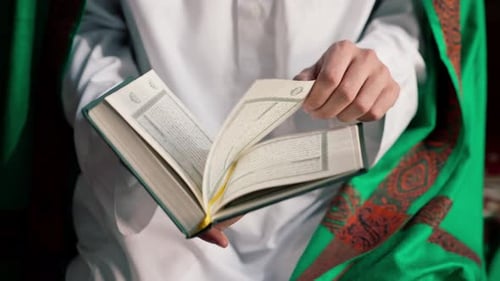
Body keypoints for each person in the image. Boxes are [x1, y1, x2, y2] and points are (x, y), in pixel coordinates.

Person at [62, 0, 487, 280]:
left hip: (341, 200)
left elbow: (417, 19)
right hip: (146, 210)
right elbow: (92, 23)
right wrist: (143, 140)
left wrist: (383, 68)